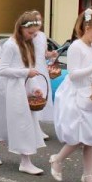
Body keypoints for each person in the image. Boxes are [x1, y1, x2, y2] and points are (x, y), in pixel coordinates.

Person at [50, 8, 92, 182]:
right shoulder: (76, 47)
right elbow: (73, 75)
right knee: (80, 137)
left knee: (91, 138)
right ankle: (57, 159)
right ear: (87, 27)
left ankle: (88, 175)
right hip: (77, 95)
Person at [0, 11, 45, 175]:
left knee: (7, 121)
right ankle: (25, 161)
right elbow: (3, 70)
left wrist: (35, 87)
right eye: (30, 33)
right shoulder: (10, 45)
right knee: (21, 123)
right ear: (21, 28)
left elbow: (28, 68)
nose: (32, 36)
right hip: (10, 89)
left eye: (35, 34)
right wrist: (25, 73)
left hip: (21, 87)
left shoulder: (27, 44)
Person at [30, 10, 57, 138]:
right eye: (36, 20)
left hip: (42, 68)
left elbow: (44, 52)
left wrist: (51, 54)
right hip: (33, 67)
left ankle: (36, 127)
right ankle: (34, 129)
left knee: (43, 96)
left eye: (40, 20)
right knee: (34, 95)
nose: (39, 22)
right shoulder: (30, 35)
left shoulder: (42, 35)